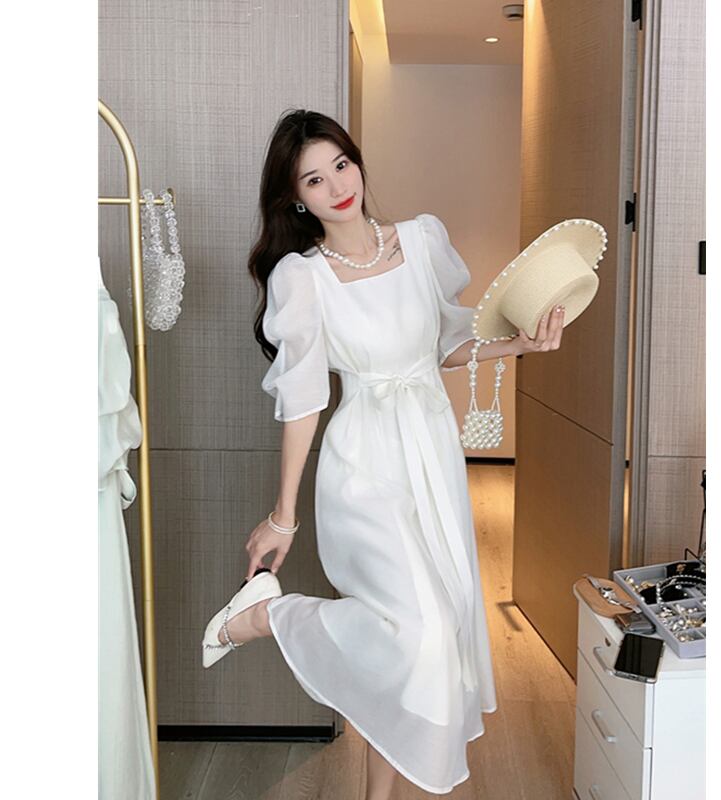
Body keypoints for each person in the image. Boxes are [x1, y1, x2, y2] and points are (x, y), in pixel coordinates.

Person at [211, 109, 565, 799]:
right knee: (420, 631)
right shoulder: (301, 277)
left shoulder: (423, 239)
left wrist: (519, 344)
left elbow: (445, 345)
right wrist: (284, 515)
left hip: (430, 456)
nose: (337, 186)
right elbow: (305, 400)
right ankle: (268, 616)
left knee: (422, 638)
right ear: (296, 199)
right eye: (315, 179)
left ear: (357, 161)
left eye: (341, 165)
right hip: (362, 464)